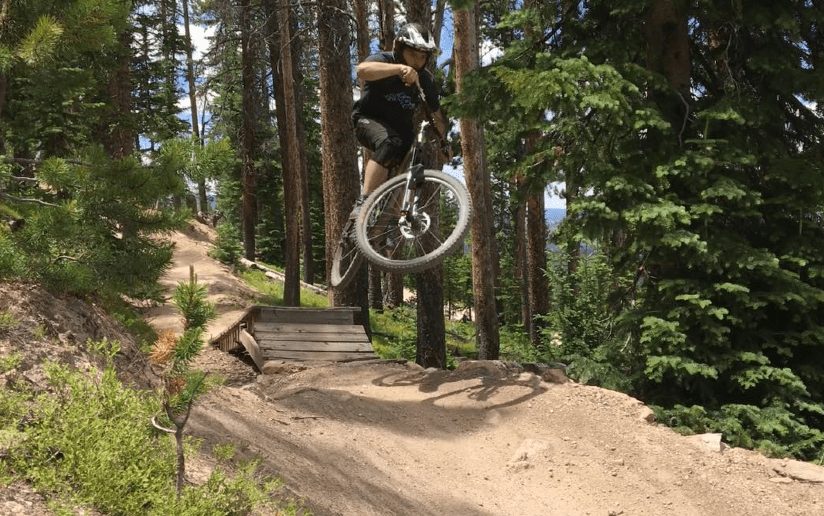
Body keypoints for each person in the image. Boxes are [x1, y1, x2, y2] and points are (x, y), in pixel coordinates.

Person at [351, 22, 448, 208]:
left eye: (422, 57)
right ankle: (363, 204)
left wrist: (444, 143)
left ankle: (392, 221)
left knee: (418, 161)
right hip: (368, 120)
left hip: (401, 131)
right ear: (399, 48)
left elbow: (437, 115)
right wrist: (399, 69)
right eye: (412, 54)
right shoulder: (384, 60)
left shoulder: (425, 79)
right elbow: (362, 70)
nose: (417, 61)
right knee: (389, 143)